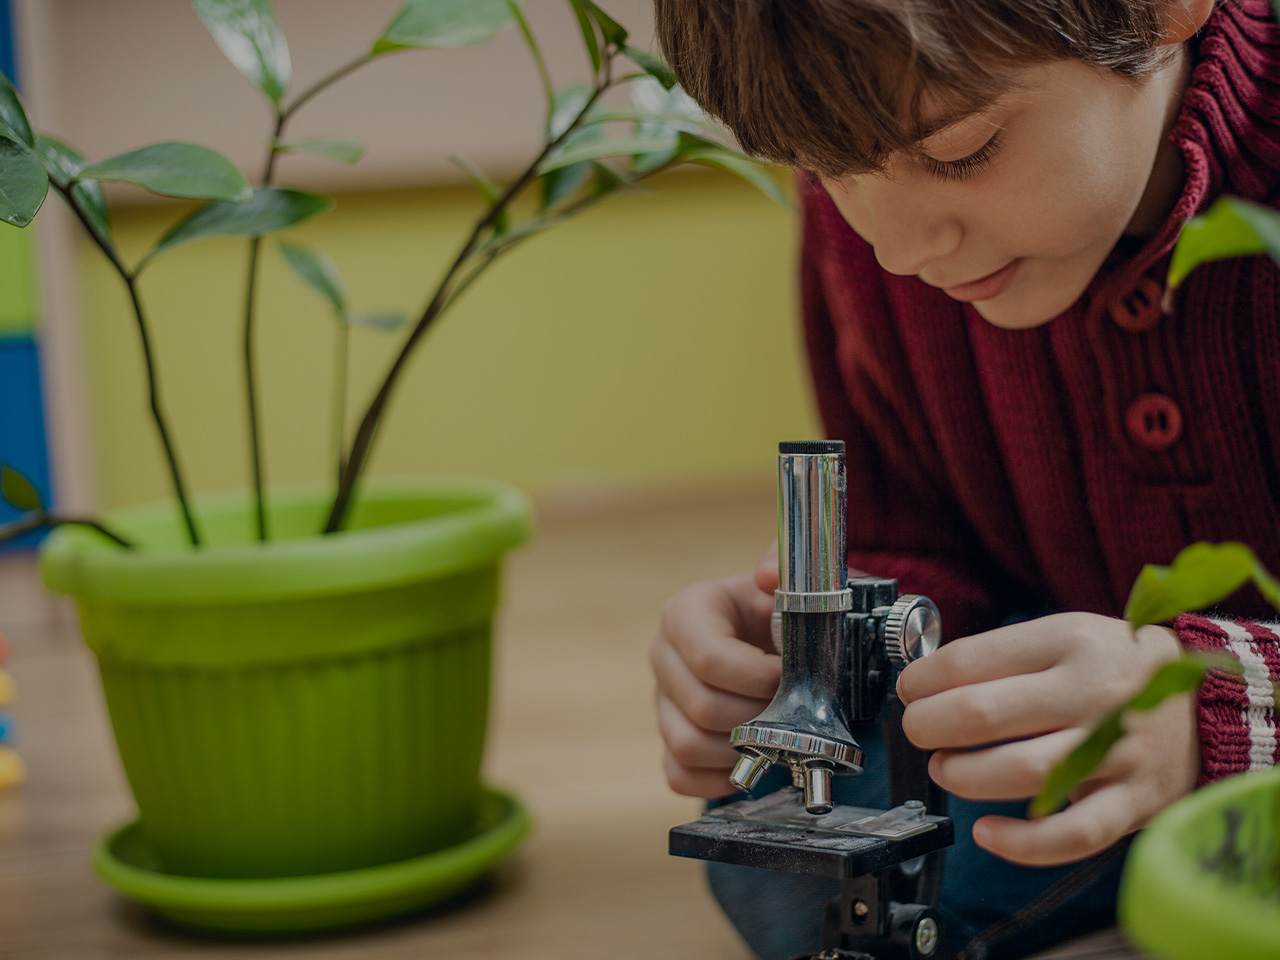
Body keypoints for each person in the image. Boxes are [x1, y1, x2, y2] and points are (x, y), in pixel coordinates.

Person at [648, 0, 1280, 957]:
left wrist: (1222, 709)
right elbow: (920, 539)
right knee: (795, 871)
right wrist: (814, 658)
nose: (896, 250)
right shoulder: (878, 229)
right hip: (1091, 718)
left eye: (959, 150)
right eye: (830, 169)